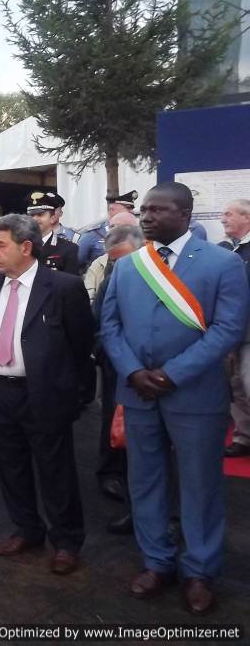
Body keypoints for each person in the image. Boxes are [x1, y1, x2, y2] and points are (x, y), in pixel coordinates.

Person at [101, 183, 249, 615]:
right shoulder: (129, 266)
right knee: (144, 481)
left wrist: (171, 374)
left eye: (157, 210)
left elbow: (228, 329)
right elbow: (108, 325)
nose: (145, 216)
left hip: (194, 394)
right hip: (138, 390)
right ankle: (156, 561)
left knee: (200, 485)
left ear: (184, 213)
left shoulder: (223, 264)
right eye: (143, 210)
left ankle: (199, 570)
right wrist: (132, 371)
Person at [0, 214, 94, 576]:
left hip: (44, 394)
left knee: (55, 471)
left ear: (25, 246)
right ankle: (26, 530)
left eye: (0, 245)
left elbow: (81, 347)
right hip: (0, 392)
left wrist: (76, 396)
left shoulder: (62, 287)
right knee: (11, 467)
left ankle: (66, 541)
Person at [89, 224, 144, 536]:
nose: (119, 266)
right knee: (115, 428)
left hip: (158, 375)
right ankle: (114, 478)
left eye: (124, 259)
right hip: (119, 371)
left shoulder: (165, 279)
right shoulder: (112, 281)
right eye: (113, 261)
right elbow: (97, 325)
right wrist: (112, 356)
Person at [218, 198, 250, 458]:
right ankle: (243, 436)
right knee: (236, 385)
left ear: (246, 218)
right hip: (233, 332)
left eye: (228, 214)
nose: (222, 219)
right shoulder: (232, 250)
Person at [83, 212, 139, 302]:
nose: (111, 231)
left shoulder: (147, 261)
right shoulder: (99, 263)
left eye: (117, 227)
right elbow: (88, 297)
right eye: (110, 227)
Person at [78, 191, 138, 266]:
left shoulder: (137, 233)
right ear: (112, 210)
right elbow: (78, 264)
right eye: (128, 208)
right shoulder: (92, 235)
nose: (132, 211)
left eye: (132, 208)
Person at [27, 192, 80, 275]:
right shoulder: (20, 246)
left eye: (40, 215)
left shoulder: (69, 249)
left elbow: (71, 284)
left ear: (52, 218)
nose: (35, 219)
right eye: (31, 215)